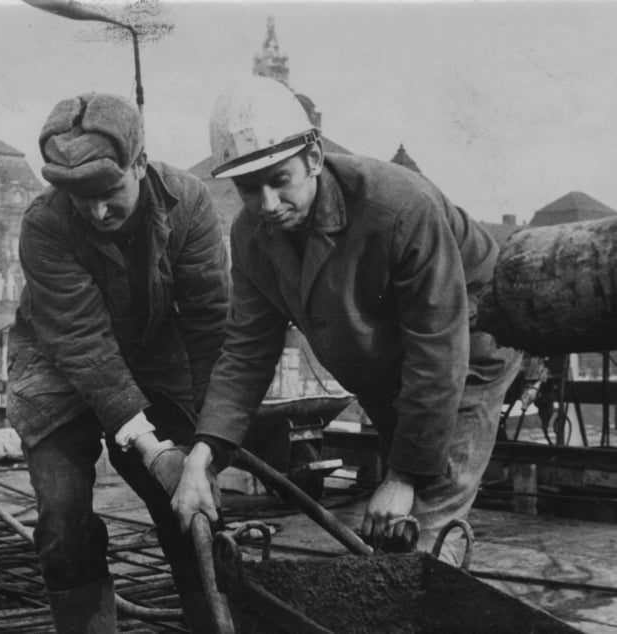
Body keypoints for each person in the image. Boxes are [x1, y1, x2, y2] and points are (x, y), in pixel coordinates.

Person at [172, 75, 522, 563]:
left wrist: (402, 476)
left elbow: (438, 345)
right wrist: (203, 454)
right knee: (391, 533)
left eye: (280, 181)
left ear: (313, 158)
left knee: (422, 524)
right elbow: (246, 352)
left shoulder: (398, 207)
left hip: (465, 352)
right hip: (386, 365)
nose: (268, 205)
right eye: (250, 189)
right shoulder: (251, 237)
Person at [6, 92, 229, 632]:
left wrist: (204, 447)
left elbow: (208, 328)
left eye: (108, 194)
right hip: (56, 366)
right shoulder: (43, 225)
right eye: (78, 199)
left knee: (188, 503)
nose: (95, 212)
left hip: (153, 354)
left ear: (141, 163)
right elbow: (83, 345)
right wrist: (151, 449)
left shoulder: (191, 205)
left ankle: (215, 620)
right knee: (61, 521)